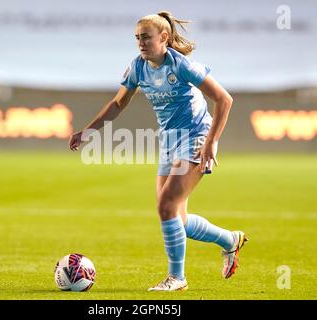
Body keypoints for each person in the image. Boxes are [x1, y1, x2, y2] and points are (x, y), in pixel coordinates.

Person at [69, 11, 248, 292]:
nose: (140, 43)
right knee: (177, 217)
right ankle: (229, 240)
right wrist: (88, 131)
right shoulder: (137, 67)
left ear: (164, 38)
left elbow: (224, 99)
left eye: (146, 37)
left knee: (167, 207)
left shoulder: (181, 65)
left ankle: (177, 278)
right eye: (137, 38)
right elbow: (117, 104)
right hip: (170, 141)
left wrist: (212, 141)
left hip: (196, 136)